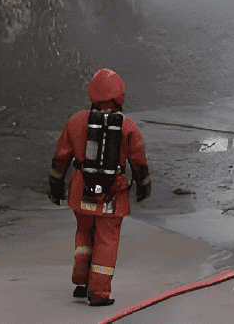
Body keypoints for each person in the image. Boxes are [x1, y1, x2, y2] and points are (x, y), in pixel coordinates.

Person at [49, 68, 152, 306]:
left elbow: (61, 157)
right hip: (112, 193)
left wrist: (55, 184)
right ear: (120, 94)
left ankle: (81, 283)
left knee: (84, 234)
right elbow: (139, 161)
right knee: (106, 239)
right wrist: (144, 185)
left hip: (80, 190)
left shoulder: (75, 121)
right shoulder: (127, 126)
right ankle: (99, 293)